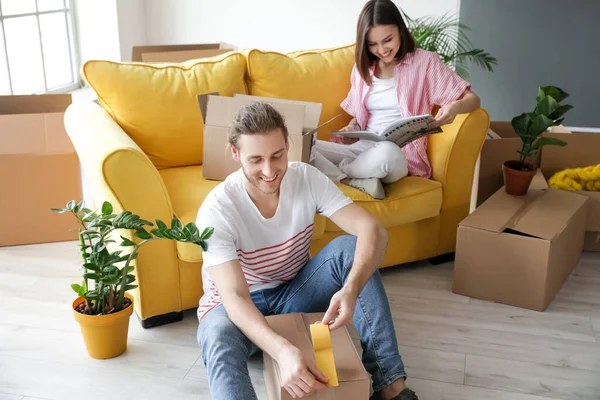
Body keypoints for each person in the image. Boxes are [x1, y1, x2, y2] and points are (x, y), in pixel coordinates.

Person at [195, 101, 419, 400]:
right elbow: (234, 298)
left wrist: (351, 288)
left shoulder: (307, 178)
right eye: (256, 160)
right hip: (236, 310)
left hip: (293, 294)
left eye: (277, 155)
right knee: (217, 337)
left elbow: (373, 231)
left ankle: (390, 384)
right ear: (235, 154)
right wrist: (283, 351)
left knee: (349, 249)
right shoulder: (218, 208)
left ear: (288, 144)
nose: (269, 170)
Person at [314, 0, 481, 200]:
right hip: (361, 149)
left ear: (400, 30)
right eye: (373, 44)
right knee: (304, 147)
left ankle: (341, 173)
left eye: (388, 40)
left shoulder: (425, 63)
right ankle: (353, 180)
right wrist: (351, 128)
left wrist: (454, 106)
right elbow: (359, 117)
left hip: (397, 156)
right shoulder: (362, 69)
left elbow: (473, 99)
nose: (382, 49)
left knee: (387, 153)